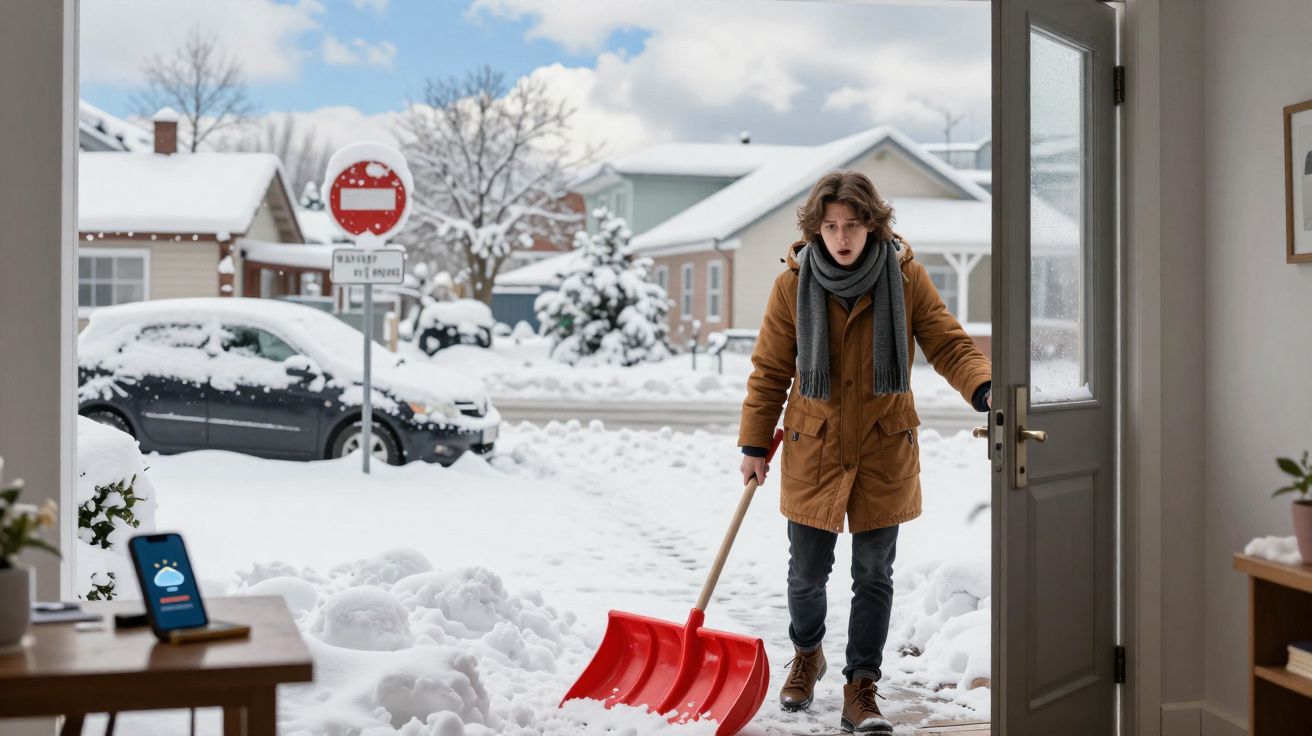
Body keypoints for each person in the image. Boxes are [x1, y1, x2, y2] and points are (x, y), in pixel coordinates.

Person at [737, 170, 991, 733]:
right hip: (816, 446)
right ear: (816, 229)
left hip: (882, 445)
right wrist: (755, 442)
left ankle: (861, 686)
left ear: (872, 225)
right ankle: (807, 654)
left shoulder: (903, 277)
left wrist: (984, 387)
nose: (842, 237)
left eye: (853, 224)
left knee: (874, 575)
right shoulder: (793, 284)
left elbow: (947, 341)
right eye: (831, 226)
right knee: (806, 574)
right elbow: (772, 369)